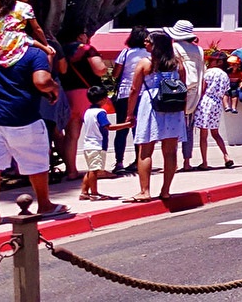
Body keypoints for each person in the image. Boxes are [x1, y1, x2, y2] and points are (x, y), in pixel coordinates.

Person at [0, 34, 66, 225]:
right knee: (36, 160)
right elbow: (41, 81)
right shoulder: (34, 53)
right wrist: (55, 88)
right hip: (22, 115)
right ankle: (44, 205)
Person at [126, 31, 188, 202]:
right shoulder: (177, 64)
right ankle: (166, 190)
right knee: (170, 151)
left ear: (156, 45)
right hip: (172, 107)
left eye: (148, 42)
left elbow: (134, 89)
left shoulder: (146, 63)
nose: (145, 44)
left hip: (152, 105)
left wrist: (130, 113)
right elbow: (183, 85)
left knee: (145, 150)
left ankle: (145, 191)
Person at [59, 20, 108, 175]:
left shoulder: (62, 50)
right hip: (87, 95)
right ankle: (97, 170)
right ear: (80, 36)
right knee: (96, 133)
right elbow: (100, 70)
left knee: (71, 135)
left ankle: (71, 170)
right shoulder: (87, 49)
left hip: (67, 94)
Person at [78, 85, 130, 201]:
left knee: (91, 168)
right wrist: (126, 125)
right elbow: (108, 127)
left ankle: (84, 192)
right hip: (97, 144)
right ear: (102, 99)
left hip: (88, 144)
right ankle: (94, 193)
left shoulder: (87, 112)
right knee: (94, 170)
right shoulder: (101, 112)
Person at [109, 26, 150, 173]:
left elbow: (115, 74)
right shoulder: (149, 55)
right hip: (143, 94)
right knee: (139, 129)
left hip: (125, 93)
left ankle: (119, 162)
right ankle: (139, 160)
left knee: (122, 128)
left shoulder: (125, 53)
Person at [169, 21, 205, 168]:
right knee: (188, 128)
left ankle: (174, 162)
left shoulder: (175, 47)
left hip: (178, 91)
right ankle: (187, 162)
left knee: (174, 128)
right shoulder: (199, 50)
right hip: (195, 93)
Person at [192, 52, 233, 169]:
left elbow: (203, 88)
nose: (209, 62)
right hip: (217, 103)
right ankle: (226, 156)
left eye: (212, 60)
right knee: (215, 133)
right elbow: (225, 92)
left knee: (203, 134)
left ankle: (204, 162)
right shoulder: (225, 75)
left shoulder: (208, 73)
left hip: (206, 101)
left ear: (219, 62)